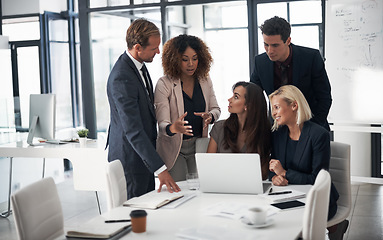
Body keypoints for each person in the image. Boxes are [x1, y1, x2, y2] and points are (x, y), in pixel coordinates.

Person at [106, 18, 180, 199]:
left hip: (143, 156)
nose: (158, 51)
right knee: (135, 214)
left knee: (147, 211)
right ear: (138, 47)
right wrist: (160, 168)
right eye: (154, 48)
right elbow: (133, 130)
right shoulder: (122, 77)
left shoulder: (138, 66)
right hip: (130, 159)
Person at [268, 85, 348, 240]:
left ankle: (334, 229)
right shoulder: (278, 134)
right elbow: (274, 166)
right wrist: (274, 176)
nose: (273, 113)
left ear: (294, 105)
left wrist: (284, 173)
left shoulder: (319, 135)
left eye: (277, 107)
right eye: (272, 108)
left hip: (318, 200)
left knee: (295, 227)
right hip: (288, 195)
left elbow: (318, 179)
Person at [155, 34, 221, 182]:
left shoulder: (205, 80)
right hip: (174, 149)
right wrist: (173, 127)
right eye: (185, 59)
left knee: (201, 189)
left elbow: (216, 109)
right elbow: (161, 125)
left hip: (199, 145)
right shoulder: (164, 84)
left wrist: (210, 116)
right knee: (180, 193)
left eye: (195, 58)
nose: (191, 63)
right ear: (174, 59)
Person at [250, 16, 332, 131]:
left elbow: (324, 97)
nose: (270, 51)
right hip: (277, 131)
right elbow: (252, 97)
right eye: (266, 45)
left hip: (312, 126)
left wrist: (313, 129)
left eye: (275, 45)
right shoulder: (260, 62)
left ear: (288, 41)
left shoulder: (311, 58)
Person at [206, 81, 271, 180]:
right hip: (221, 186)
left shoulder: (264, 133)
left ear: (248, 105)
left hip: (251, 189)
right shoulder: (219, 127)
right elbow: (208, 166)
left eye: (236, 97)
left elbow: (263, 174)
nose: (229, 100)